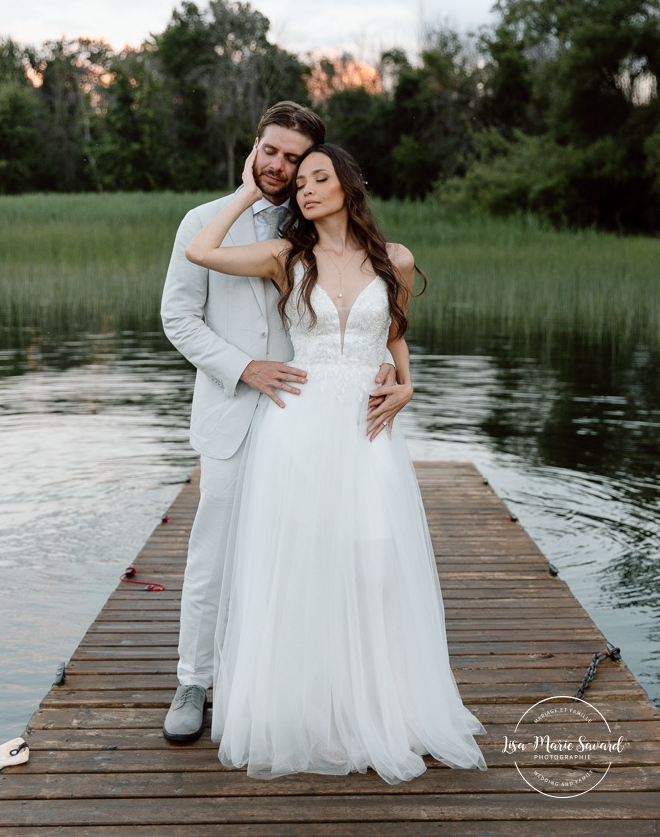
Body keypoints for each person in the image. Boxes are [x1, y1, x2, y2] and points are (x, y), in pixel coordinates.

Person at [185, 141, 487, 784]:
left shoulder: (396, 259)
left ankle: (377, 704)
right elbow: (200, 251)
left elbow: (396, 334)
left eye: (321, 178)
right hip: (296, 424)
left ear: (349, 184)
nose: (308, 190)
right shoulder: (283, 257)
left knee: (375, 557)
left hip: (367, 428)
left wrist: (406, 385)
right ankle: (311, 710)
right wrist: (247, 190)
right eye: (299, 185)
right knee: (304, 560)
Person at [160, 102, 401, 744]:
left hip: (314, 422)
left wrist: (389, 373)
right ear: (255, 147)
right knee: (215, 551)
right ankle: (194, 679)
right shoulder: (206, 222)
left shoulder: (316, 224)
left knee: (304, 554)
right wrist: (244, 367)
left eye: (295, 159)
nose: (280, 166)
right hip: (237, 411)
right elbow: (178, 320)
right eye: (271, 151)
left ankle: (291, 676)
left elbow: (370, 314)